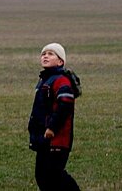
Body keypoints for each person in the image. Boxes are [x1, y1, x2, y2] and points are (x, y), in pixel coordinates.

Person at [28, 43, 80, 191]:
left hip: (56, 139)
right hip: (43, 139)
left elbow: (65, 105)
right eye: (43, 53)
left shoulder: (61, 80)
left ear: (60, 62)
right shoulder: (45, 80)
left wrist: (52, 127)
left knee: (54, 176)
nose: (45, 56)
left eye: (51, 54)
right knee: (43, 176)